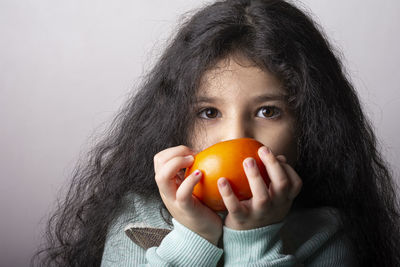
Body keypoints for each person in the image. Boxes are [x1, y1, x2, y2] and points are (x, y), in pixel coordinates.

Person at [32, 0, 400, 266]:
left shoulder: (327, 233)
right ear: (173, 120)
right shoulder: (136, 221)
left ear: (310, 126)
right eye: (209, 112)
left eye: (268, 111)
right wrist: (194, 237)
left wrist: (254, 240)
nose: (234, 136)